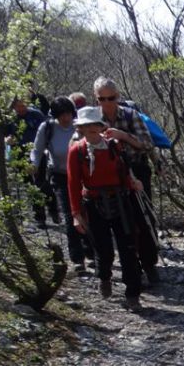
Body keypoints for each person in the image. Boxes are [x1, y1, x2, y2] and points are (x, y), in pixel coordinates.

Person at [67, 106, 144, 310]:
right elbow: (73, 184)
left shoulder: (114, 145)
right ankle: (104, 277)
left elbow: (124, 171)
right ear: (81, 128)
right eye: (86, 125)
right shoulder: (77, 151)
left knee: (128, 248)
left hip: (120, 200)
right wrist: (76, 214)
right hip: (93, 204)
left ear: (101, 127)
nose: (91, 128)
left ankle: (133, 294)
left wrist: (133, 183)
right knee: (103, 249)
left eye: (94, 124)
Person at [92, 76, 160, 283]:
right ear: (96, 99)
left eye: (110, 98)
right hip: (108, 177)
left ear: (117, 96)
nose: (106, 103)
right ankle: (131, 270)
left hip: (136, 169)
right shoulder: (92, 119)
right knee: (121, 223)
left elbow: (147, 144)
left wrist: (123, 136)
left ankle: (149, 265)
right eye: (101, 99)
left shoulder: (131, 116)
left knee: (143, 219)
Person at [32, 96, 93, 273]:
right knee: (70, 215)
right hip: (60, 176)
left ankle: (91, 253)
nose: (65, 118)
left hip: (84, 177)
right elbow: (37, 150)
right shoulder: (48, 128)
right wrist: (33, 165)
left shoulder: (79, 127)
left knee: (87, 213)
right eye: (61, 115)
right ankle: (77, 259)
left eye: (68, 114)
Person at [8, 97, 55, 226]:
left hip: (39, 153)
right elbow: (5, 134)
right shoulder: (11, 119)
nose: (21, 108)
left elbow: (48, 129)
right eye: (18, 106)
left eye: (23, 105)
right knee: (30, 186)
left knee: (41, 183)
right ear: (13, 107)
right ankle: (40, 217)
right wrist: (8, 139)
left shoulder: (36, 114)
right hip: (20, 155)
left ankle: (53, 208)